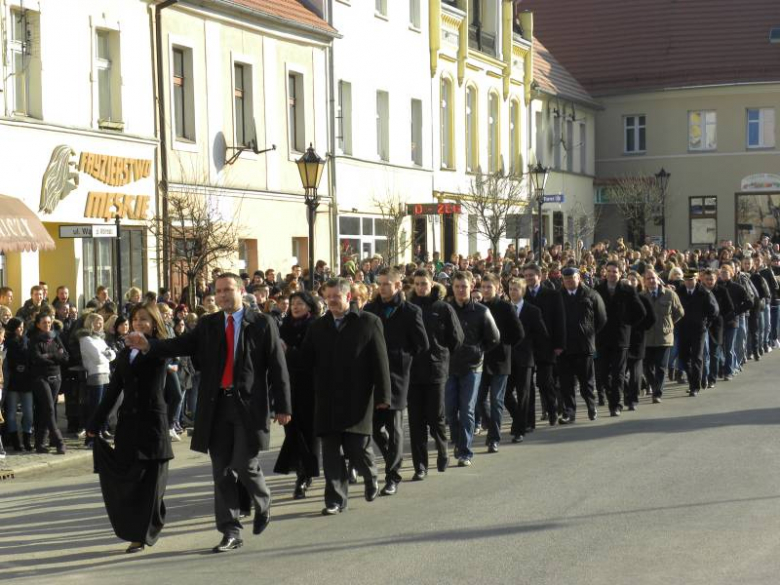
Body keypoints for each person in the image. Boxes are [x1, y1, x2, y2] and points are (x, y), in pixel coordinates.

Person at [125, 273, 291, 553]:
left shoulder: (262, 323)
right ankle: (230, 531)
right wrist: (149, 345)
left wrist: (284, 406)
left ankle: (262, 500)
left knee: (243, 463)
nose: (223, 296)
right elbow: (180, 345)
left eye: (228, 290)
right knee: (221, 470)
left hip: (248, 407)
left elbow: (277, 366)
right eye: (219, 292)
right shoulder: (208, 324)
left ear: (240, 290)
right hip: (216, 406)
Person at [299, 277, 391, 515]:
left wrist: (384, 395)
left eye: (335, 296)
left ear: (348, 297)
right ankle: (335, 499)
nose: (330, 301)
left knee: (356, 447)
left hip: (357, 398)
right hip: (327, 399)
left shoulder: (369, 322)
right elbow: (306, 360)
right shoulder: (318, 326)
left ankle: (370, 476)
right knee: (330, 453)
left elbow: (380, 361)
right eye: (327, 297)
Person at [87, 303, 173, 554]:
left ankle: (143, 533)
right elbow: (114, 390)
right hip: (128, 426)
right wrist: (95, 423)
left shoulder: (158, 350)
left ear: (154, 323)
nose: (138, 324)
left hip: (153, 425)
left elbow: (160, 356)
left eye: (144, 320)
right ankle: (140, 525)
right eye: (135, 320)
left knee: (151, 484)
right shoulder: (126, 353)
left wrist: (147, 345)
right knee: (130, 482)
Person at [363, 267, 428, 495]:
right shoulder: (370, 310)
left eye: (386, 284)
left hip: (398, 376)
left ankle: (393, 476)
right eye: (379, 284)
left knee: (395, 427)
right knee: (372, 426)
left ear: (397, 285)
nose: (382, 288)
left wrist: (402, 356)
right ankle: (391, 456)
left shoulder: (410, 311)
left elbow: (422, 343)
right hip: (374, 376)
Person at [407, 269, 463, 479]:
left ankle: (442, 450)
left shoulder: (443, 308)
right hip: (413, 371)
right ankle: (420, 466)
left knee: (436, 416)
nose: (421, 287)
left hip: (436, 370)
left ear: (432, 284)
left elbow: (456, 338)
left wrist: (442, 353)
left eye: (425, 283)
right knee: (416, 421)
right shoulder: (409, 309)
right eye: (418, 283)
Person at [446, 271, 500, 467]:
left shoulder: (481, 311)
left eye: (464, 286)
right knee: (451, 409)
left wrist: (479, 351)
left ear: (471, 287)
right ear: (452, 288)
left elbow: (494, 337)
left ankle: (465, 451)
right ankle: (458, 439)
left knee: (468, 409)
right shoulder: (446, 309)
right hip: (450, 367)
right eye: (457, 286)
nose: (461, 290)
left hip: (472, 367)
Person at [273, 291, 321, 499]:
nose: (295, 307)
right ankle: (302, 471)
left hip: (309, 387)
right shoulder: (284, 326)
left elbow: (310, 358)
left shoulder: (315, 326)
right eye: (293, 303)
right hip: (288, 387)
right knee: (292, 431)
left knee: (308, 433)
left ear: (309, 306)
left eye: (300, 303)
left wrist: (289, 351)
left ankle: (305, 476)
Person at [476, 273, 523, 452]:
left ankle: (494, 438)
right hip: (480, 360)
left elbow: (518, 333)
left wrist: (504, 344)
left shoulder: (506, 307)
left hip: (500, 360)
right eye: (484, 287)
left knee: (497, 400)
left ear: (497, 288)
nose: (486, 290)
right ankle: (490, 424)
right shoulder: (477, 308)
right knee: (479, 399)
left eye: (490, 287)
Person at [594, 261, 646, 417]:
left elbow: (641, 312)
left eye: (615, 271)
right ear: (605, 272)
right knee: (603, 375)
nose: (612, 274)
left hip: (620, 338)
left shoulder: (627, 290)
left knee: (618, 373)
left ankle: (615, 404)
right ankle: (613, 398)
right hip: (602, 337)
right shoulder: (598, 289)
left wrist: (627, 323)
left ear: (620, 273)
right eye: (609, 271)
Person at [558, 267, 607, 424]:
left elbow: (601, 318)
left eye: (572, 278)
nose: (569, 282)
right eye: (566, 279)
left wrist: (589, 333)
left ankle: (591, 406)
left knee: (586, 381)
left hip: (583, 346)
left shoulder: (590, 294)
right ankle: (569, 412)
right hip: (564, 346)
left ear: (578, 278)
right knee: (566, 383)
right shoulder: (559, 296)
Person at [505, 277, 548, 443]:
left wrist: (535, 355)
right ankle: (519, 418)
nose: (512, 292)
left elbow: (541, 335)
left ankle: (519, 430)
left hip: (525, 358)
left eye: (515, 289)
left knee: (523, 394)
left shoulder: (532, 311)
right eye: (510, 289)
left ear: (522, 291)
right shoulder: (505, 308)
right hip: (508, 359)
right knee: (505, 393)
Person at [523, 264, 566, 425]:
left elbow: (559, 321)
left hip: (547, 345)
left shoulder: (552, 295)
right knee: (528, 385)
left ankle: (552, 409)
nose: (528, 278)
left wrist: (559, 344)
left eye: (531, 275)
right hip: (527, 346)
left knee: (544, 381)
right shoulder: (521, 294)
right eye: (526, 275)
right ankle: (530, 419)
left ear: (539, 276)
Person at [28, 311, 69, 454]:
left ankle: (40, 443)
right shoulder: (34, 339)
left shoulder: (56, 337)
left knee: (45, 410)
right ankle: (59, 442)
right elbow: (37, 358)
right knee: (50, 408)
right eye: (44, 323)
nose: (47, 325)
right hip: (41, 378)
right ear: (38, 324)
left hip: (56, 377)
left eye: (49, 322)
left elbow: (65, 357)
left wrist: (50, 355)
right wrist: (56, 356)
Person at [641, 269, 684, 403]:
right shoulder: (641, 296)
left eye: (653, 278)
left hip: (664, 337)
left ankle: (657, 393)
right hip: (647, 337)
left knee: (660, 366)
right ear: (645, 282)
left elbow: (680, 312)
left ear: (658, 279)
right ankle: (654, 385)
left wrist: (669, 324)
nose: (652, 281)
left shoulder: (670, 295)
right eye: (648, 279)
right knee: (646, 367)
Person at [675, 270, 719, 396]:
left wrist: (705, 323)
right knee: (683, 357)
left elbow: (714, 310)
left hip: (698, 330)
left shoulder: (704, 292)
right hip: (683, 329)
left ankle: (695, 386)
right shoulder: (680, 291)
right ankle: (691, 379)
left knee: (697, 357)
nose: (689, 282)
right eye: (687, 280)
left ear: (696, 279)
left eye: (691, 280)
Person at [78, 312, 117, 445]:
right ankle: (91, 435)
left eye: (101, 322)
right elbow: (98, 358)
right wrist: (106, 354)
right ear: (90, 323)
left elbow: (112, 354)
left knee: (104, 405)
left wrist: (107, 354)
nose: (100, 325)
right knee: (95, 407)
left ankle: (100, 430)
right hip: (95, 374)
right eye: (96, 322)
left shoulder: (100, 339)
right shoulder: (86, 339)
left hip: (106, 373)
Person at [624, 272, 656, 410]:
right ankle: (627, 393)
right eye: (628, 280)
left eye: (633, 280)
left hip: (637, 339)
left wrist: (641, 328)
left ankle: (633, 398)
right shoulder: (620, 299)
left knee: (635, 371)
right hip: (622, 339)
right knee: (619, 372)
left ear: (638, 282)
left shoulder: (643, 298)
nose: (630, 282)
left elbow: (651, 318)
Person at [3, 318, 32, 452]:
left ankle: (26, 438)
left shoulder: (27, 340)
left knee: (28, 413)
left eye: (22, 326)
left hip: (26, 381)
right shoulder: (7, 342)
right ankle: (15, 441)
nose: (21, 329)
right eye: (19, 327)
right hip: (12, 382)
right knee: (11, 413)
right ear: (13, 327)